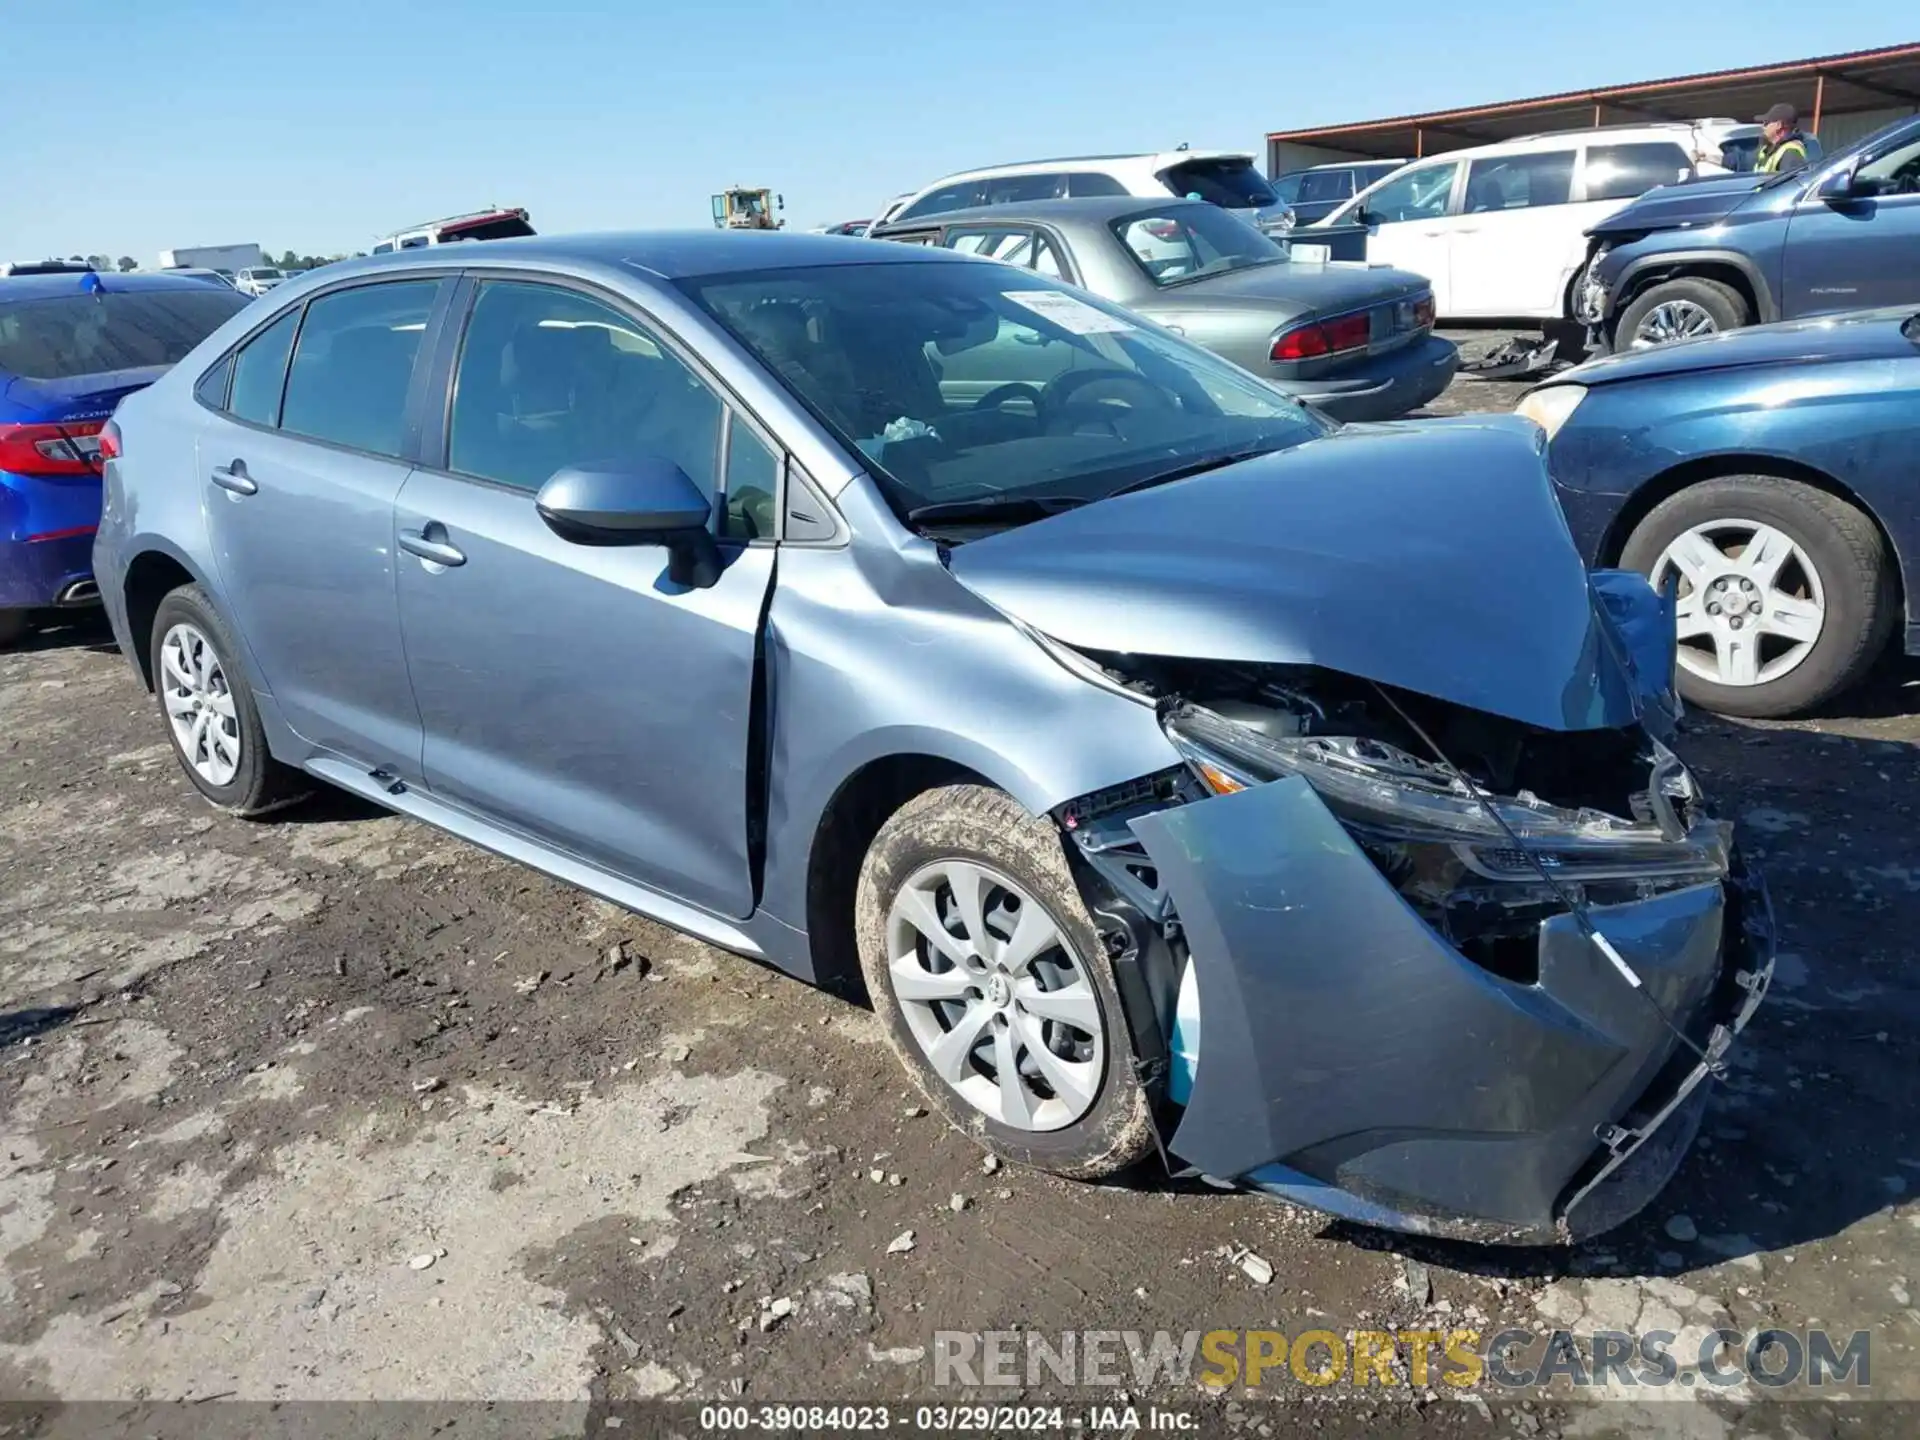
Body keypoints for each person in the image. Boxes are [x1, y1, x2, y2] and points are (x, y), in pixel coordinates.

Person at [1755, 103, 1823, 175]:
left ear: (1778, 125)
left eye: (1766, 123)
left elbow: (1789, 184)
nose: (1763, 127)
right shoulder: (1768, 150)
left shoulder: (1790, 152)